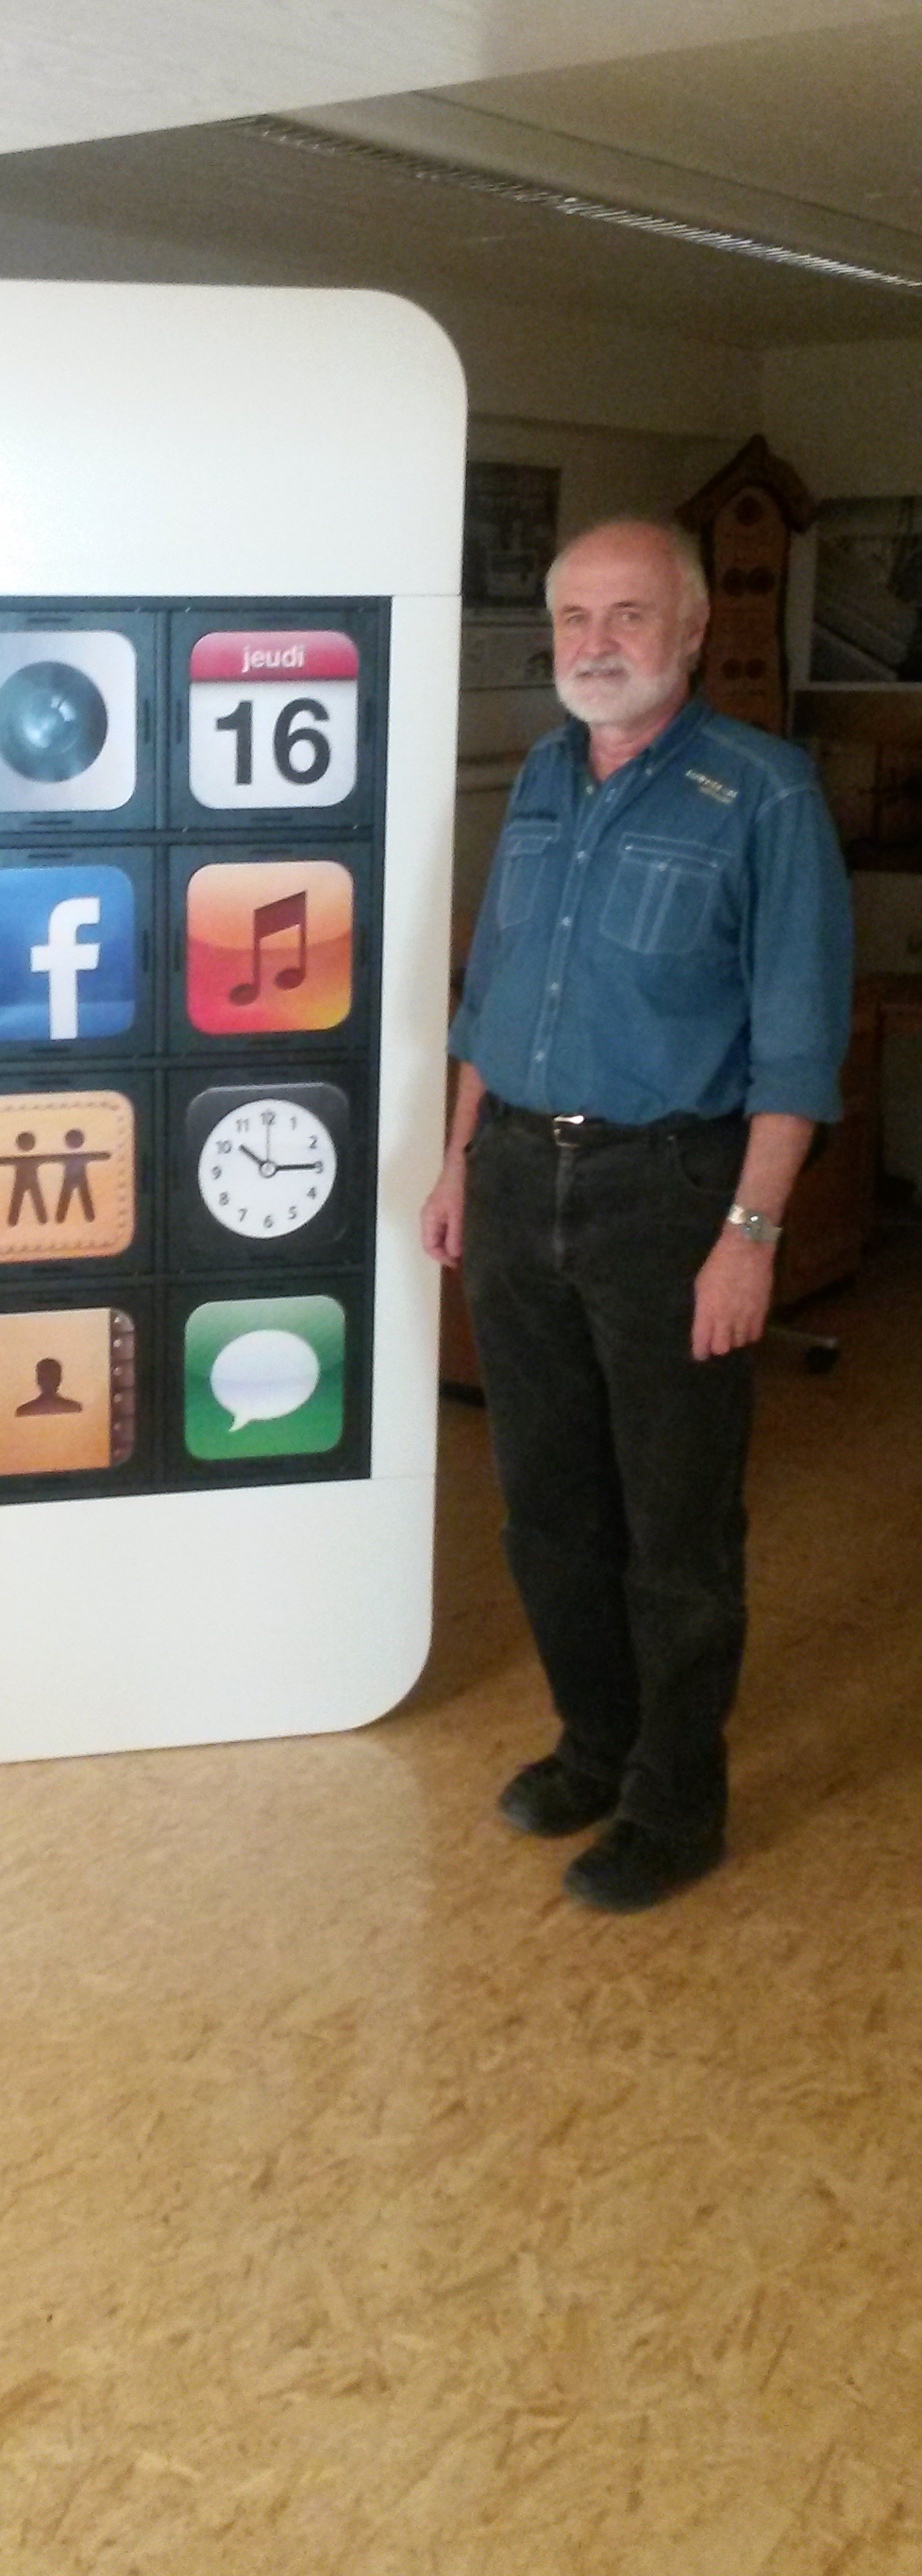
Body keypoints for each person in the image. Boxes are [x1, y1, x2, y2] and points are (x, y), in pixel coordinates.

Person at [422, 520, 853, 1912]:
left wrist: (751, 1236)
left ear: (690, 632)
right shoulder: (544, 778)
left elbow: (799, 1046)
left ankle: (677, 1798)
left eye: (628, 615)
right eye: (574, 618)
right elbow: (494, 990)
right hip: (514, 1179)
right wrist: (457, 1160)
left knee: (676, 1523)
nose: (596, 644)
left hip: (669, 1198)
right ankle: (594, 1745)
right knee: (547, 1507)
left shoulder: (765, 794)